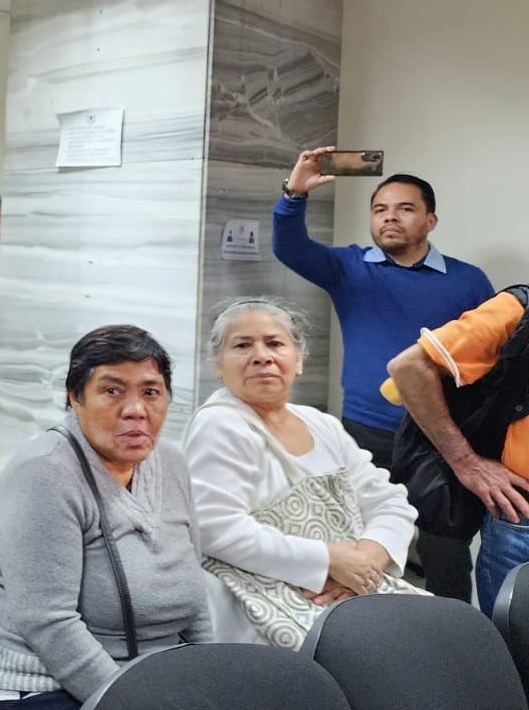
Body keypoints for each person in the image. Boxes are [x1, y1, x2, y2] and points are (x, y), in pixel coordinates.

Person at [274, 147, 493, 600]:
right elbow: (289, 246)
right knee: (359, 539)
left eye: (405, 209)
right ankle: (367, 629)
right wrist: (294, 193)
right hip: (364, 433)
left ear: (430, 220)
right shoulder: (349, 267)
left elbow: (487, 358)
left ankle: (452, 635)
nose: (390, 218)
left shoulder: (468, 280)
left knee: (444, 546)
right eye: (380, 209)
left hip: (438, 436)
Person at [0, 325, 211, 709]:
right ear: (75, 398)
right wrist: (129, 701)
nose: (136, 410)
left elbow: (195, 594)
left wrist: (215, 674)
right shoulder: (45, 473)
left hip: (151, 677)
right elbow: (49, 623)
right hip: (41, 679)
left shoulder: (172, 463)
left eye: (151, 392)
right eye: (111, 391)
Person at [183, 298, 417, 646]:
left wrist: (361, 563)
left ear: (299, 360)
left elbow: (391, 503)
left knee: (440, 639)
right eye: (243, 345)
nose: (262, 356)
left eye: (275, 343)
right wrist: (326, 561)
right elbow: (216, 528)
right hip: (266, 600)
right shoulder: (220, 423)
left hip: (354, 587)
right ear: (218, 364)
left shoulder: (321, 424)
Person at [386, 286, 529, 613]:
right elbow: (408, 368)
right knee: (513, 650)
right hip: (521, 518)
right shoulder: (516, 309)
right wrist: (466, 462)